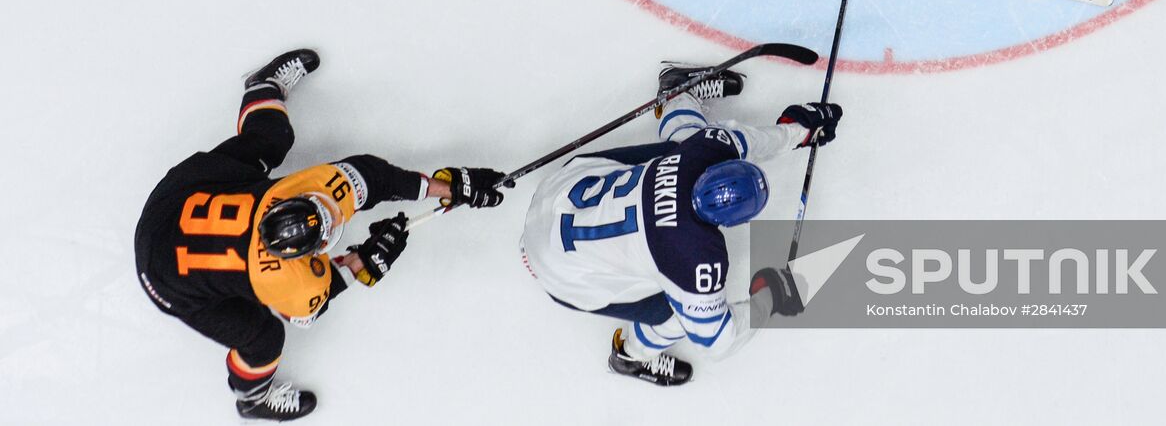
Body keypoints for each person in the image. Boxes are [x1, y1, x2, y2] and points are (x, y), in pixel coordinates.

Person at [134, 49, 508, 421]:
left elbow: (373, 180)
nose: (332, 207)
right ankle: (252, 398)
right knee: (263, 339)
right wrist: (366, 259)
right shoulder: (289, 278)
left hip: (171, 206)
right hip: (166, 280)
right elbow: (317, 296)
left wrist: (449, 190)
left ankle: (262, 88)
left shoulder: (297, 197)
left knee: (269, 140)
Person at [520, 61, 842, 385]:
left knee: (680, 149)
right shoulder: (695, 258)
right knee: (677, 314)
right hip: (557, 274)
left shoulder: (708, 149)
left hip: (555, 195)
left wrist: (798, 130)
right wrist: (772, 296)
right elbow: (717, 341)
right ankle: (629, 357)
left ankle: (678, 96)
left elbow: (746, 141)